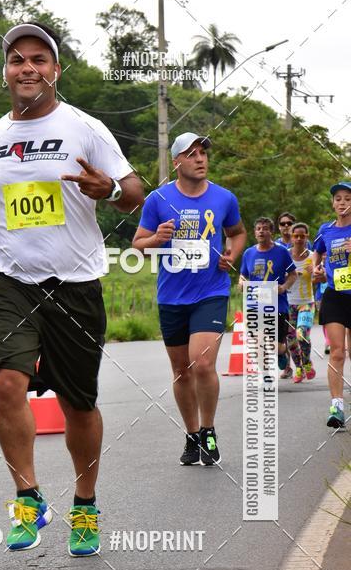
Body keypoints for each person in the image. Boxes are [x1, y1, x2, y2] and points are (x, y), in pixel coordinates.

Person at [0, 21, 144, 555]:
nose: (27, 68)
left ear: (55, 70)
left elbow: (134, 191)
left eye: (39, 59)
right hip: (11, 281)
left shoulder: (85, 128)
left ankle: (85, 504)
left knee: (79, 405)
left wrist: (109, 190)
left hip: (76, 285)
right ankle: (28, 500)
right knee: (6, 382)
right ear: (6, 72)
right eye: (17, 60)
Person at [132, 132, 247, 466]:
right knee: (182, 370)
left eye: (203, 153)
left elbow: (238, 232)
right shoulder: (158, 199)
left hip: (211, 291)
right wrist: (156, 238)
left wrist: (232, 254)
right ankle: (192, 434)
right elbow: (138, 245)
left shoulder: (224, 198)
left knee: (203, 362)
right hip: (172, 296)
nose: (200, 159)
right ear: (177, 162)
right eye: (192, 154)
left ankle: (208, 430)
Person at [313, 181, 351, 428]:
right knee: (337, 352)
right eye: (338, 198)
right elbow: (316, 252)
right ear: (333, 203)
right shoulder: (325, 230)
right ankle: (337, 406)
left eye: (348, 198)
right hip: (334, 294)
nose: (342, 203)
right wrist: (316, 268)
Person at [239, 217, 297, 370]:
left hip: (277, 305)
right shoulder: (248, 253)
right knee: (257, 342)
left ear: (271, 232)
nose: (261, 232)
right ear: (254, 232)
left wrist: (283, 287)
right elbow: (243, 275)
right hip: (255, 305)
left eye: (265, 229)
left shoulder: (281, 252)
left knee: (274, 345)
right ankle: (265, 376)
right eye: (258, 229)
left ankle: (282, 351)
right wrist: (241, 282)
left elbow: (293, 274)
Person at [286, 222, 316, 383]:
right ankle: (298, 368)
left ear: (307, 237)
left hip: (306, 303)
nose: (298, 239)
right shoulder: (284, 256)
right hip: (288, 304)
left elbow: (322, 278)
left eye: (302, 236)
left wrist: (316, 274)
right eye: (295, 236)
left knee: (301, 334)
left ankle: (307, 362)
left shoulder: (313, 256)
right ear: (291, 237)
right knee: (291, 340)